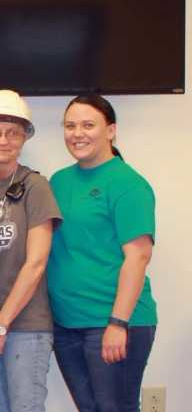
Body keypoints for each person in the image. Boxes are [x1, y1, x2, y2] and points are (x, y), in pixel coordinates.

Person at [48, 94, 157, 412]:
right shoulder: (59, 181)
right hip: (67, 324)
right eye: (70, 126)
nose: (77, 133)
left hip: (112, 323)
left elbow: (138, 256)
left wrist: (117, 323)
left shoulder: (128, 184)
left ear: (111, 131)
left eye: (88, 125)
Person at [0, 90, 60, 412]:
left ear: (23, 138)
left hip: (24, 328)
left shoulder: (35, 187)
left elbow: (36, 262)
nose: (3, 140)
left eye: (13, 132)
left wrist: (1, 325)